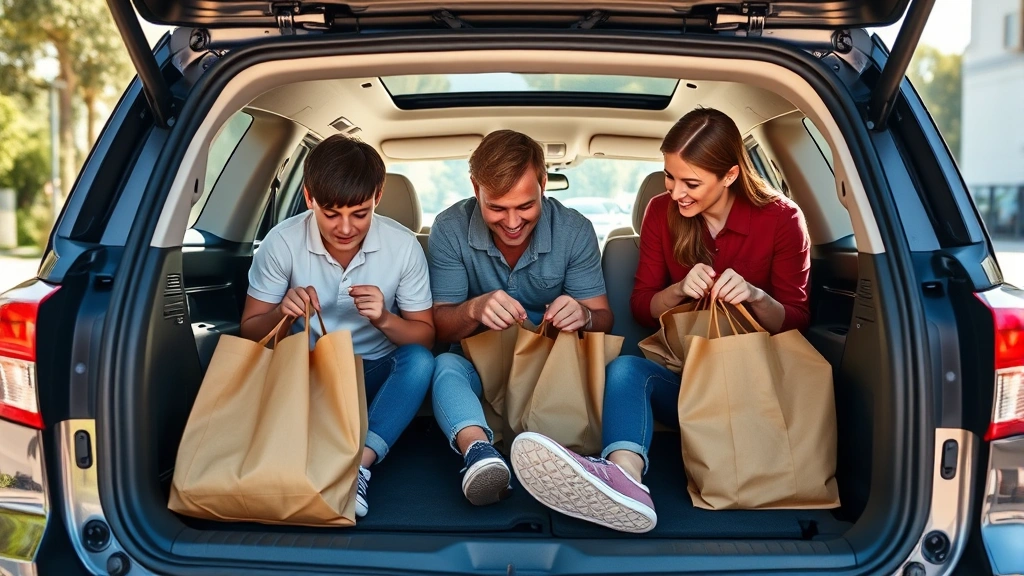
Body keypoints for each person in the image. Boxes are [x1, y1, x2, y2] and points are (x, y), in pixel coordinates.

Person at [510, 108, 812, 533]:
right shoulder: (660, 212)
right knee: (627, 370)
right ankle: (624, 480)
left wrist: (756, 296)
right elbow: (641, 307)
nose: (675, 192)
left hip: (757, 389)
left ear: (729, 175)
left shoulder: (783, 219)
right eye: (669, 176)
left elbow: (795, 320)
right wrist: (679, 290)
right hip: (690, 384)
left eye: (691, 183)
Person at [240, 134, 436, 519]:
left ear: (377, 197)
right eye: (331, 213)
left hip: (376, 376)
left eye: (360, 213)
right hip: (307, 374)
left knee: (419, 362)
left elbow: (425, 338)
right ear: (310, 197)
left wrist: (384, 318)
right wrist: (283, 311)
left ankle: (356, 468)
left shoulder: (403, 247)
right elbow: (249, 332)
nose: (346, 227)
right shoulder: (281, 243)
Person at [428, 129, 615, 506]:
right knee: (444, 365)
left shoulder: (574, 230)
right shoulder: (449, 229)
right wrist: (474, 309)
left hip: (554, 373)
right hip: (481, 371)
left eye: (525, 206)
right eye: (497, 207)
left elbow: (604, 319)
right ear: (475, 188)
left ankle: (574, 462)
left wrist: (583, 315)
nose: (512, 222)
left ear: (544, 184)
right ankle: (480, 455)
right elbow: (439, 328)